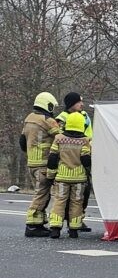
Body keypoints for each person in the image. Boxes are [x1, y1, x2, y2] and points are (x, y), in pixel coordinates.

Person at [19, 91, 62, 237]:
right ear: (47, 105)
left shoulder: (28, 118)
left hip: (32, 163)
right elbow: (60, 138)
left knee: (41, 193)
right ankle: (32, 226)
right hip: (44, 163)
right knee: (42, 194)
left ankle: (38, 224)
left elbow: (22, 142)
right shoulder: (48, 120)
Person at [44, 111, 92, 239]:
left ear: (67, 124)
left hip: (61, 178)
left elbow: (52, 159)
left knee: (59, 201)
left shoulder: (59, 139)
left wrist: (50, 176)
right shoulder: (84, 141)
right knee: (76, 203)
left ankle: (55, 228)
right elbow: (86, 160)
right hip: (79, 179)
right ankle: (74, 229)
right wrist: (89, 172)